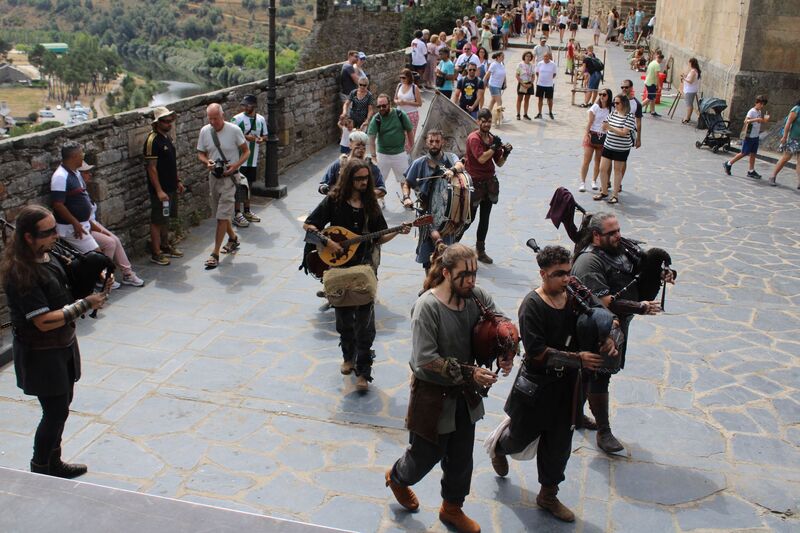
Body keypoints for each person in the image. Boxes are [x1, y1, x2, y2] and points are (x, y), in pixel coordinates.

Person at [385, 243, 511, 533]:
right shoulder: (427, 307)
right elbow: (424, 361)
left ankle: (452, 509)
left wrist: (506, 347)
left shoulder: (475, 298)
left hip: (464, 397)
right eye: (463, 275)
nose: (471, 281)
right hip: (432, 397)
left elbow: (500, 321)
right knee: (423, 458)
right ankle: (397, 477)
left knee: (461, 458)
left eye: (474, 274)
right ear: (445, 272)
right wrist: (470, 372)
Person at [490, 245, 613, 523]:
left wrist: (606, 336)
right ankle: (498, 447)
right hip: (536, 388)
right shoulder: (532, 305)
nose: (566, 279)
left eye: (568, 273)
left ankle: (548, 495)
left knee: (559, 446)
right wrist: (577, 359)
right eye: (559, 274)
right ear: (543, 274)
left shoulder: (575, 296)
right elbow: (536, 352)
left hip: (567, 390)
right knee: (519, 437)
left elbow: (598, 317)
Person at [1, 205, 110, 479]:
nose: (55, 236)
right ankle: (40, 469)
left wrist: (91, 278)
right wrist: (86, 303)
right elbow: (42, 320)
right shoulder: (20, 272)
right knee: (54, 412)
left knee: (62, 407)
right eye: (48, 232)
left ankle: (54, 462)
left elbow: (65, 288)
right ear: (28, 237)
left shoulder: (48, 256)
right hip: (41, 352)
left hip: (63, 345)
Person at [303, 159, 409, 390]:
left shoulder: (371, 205)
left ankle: (364, 372)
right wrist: (328, 242)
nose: (363, 183)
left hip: (364, 270)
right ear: (349, 179)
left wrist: (398, 232)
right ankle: (347, 357)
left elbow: (379, 237)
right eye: (358, 179)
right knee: (343, 320)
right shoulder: (334, 200)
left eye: (365, 179)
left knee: (365, 323)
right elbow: (309, 225)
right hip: (339, 270)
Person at [571, 212, 670, 453]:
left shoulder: (622, 250)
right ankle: (604, 432)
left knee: (588, 372)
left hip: (619, 322)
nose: (618, 236)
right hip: (596, 325)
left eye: (618, 230)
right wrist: (640, 306)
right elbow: (603, 302)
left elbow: (640, 268)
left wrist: (663, 273)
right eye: (611, 233)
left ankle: (574, 415)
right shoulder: (588, 263)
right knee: (599, 372)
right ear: (596, 236)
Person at [196, 103, 250, 270]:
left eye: (216, 118)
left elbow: (246, 151)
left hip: (230, 179)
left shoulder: (234, 130)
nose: (213, 122)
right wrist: (208, 162)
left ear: (222, 116)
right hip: (214, 178)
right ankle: (233, 238)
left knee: (221, 217)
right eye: (210, 119)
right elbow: (200, 153)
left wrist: (235, 166)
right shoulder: (205, 131)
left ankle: (215, 253)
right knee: (220, 213)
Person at [404, 130, 465, 270]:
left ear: (442, 142)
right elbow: (407, 183)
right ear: (426, 142)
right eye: (431, 141)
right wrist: (407, 198)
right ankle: (429, 286)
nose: (434, 144)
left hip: (447, 217)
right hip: (426, 214)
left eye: (437, 141)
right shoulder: (419, 163)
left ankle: (442, 285)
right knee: (428, 258)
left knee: (446, 259)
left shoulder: (450, 158)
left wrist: (452, 171)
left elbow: (460, 165)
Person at [79, 162, 144, 287]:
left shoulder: (83, 189)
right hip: (86, 226)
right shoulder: (77, 191)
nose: (89, 175)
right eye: (86, 172)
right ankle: (103, 276)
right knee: (109, 243)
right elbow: (85, 219)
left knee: (116, 240)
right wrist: (102, 231)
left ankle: (127, 273)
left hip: (92, 223)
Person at [465, 108, 511, 264]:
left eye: (489, 121)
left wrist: (505, 153)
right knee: (467, 219)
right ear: (478, 121)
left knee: (485, 219)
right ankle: (451, 246)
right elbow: (481, 159)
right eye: (483, 121)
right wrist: (493, 148)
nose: (486, 124)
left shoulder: (492, 139)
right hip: (474, 183)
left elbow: (499, 163)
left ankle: (480, 250)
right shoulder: (474, 138)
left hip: (489, 183)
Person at [143, 108, 185, 266]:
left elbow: (170, 164)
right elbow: (151, 168)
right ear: (157, 123)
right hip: (160, 191)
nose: (169, 124)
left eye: (170, 121)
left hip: (170, 187)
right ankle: (156, 252)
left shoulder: (166, 138)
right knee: (157, 220)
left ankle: (165, 246)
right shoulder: (152, 140)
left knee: (166, 219)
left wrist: (177, 181)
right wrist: (159, 191)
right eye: (165, 121)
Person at [50, 142, 100, 255]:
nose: (83, 155)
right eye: (81, 153)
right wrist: (75, 223)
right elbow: (58, 205)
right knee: (97, 257)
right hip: (71, 228)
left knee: (103, 250)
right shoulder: (60, 177)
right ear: (74, 156)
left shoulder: (75, 173)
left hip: (82, 224)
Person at [368, 94, 414, 199]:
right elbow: (371, 138)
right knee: (378, 180)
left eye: (384, 106)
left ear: (390, 104)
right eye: (379, 106)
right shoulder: (377, 119)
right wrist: (373, 156)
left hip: (399, 153)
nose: (381, 109)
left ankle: (406, 198)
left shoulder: (400, 114)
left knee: (404, 179)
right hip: (382, 154)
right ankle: (379, 200)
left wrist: (411, 147)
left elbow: (409, 130)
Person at [319, 130, 387, 201]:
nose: (361, 149)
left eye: (363, 145)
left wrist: (363, 196)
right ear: (350, 145)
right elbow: (323, 185)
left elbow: (382, 189)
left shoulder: (370, 166)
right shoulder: (339, 163)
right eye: (357, 145)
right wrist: (332, 191)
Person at [231, 94, 267, 228]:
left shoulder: (261, 119)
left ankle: (247, 210)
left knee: (249, 185)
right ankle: (237, 213)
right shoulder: (237, 119)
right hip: (239, 160)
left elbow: (265, 135)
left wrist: (261, 139)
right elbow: (232, 136)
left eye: (248, 105)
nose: (245, 107)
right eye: (244, 105)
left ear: (254, 106)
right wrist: (248, 138)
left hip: (252, 160)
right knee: (239, 186)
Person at [594, 94, 637, 205]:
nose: (615, 105)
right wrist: (605, 126)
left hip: (621, 148)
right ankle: (604, 191)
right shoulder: (612, 114)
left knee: (617, 171)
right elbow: (606, 125)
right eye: (614, 103)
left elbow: (624, 132)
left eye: (617, 103)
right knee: (602, 169)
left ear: (624, 103)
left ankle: (615, 195)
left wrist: (610, 128)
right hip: (608, 145)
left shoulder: (630, 117)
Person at [723, 95, 770, 180]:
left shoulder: (759, 112)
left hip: (755, 136)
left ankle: (751, 170)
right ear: (756, 103)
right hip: (749, 136)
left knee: (753, 153)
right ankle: (729, 163)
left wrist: (764, 120)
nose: (762, 106)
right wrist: (756, 120)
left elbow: (759, 121)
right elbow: (746, 121)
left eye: (763, 104)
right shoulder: (751, 111)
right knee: (744, 152)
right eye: (761, 104)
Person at [580, 88, 612, 192]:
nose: (602, 97)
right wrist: (586, 134)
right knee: (586, 161)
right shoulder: (595, 107)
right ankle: (582, 182)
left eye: (604, 95)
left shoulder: (611, 109)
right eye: (600, 94)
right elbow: (590, 122)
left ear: (608, 96)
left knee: (598, 161)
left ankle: (594, 181)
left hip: (603, 137)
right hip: (592, 135)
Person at [769, 98, 800, 187]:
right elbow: (788, 123)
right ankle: (772, 176)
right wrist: (784, 136)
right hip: (793, 138)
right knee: (786, 157)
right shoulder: (796, 109)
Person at [394, 68, 423, 154]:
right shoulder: (399, 86)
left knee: (409, 137)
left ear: (409, 78)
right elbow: (395, 99)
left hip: (411, 114)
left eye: (404, 78)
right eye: (401, 77)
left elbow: (419, 103)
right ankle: (400, 153)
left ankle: (409, 155)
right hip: (399, 114)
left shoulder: (414, 87)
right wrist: (398, 102)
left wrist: (406, 102)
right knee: (399, 135)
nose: (402, 79)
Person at [534, 52, 557, 120]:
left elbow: (554, 74)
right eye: (544, 56)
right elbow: (537, 72)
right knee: (540, 99)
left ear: (549, 57)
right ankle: (539, 113)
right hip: (540, 84)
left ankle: (550, 112)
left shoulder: (553, 64)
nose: (546, 58)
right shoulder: (540, 63)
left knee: (550, 99)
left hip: (549, 84)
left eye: (547, 56)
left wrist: (549, 79)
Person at [681, 59, 701, 124]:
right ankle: (688, 117)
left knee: (689, 105)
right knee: (689, 104)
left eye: (689, 63)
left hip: (690, 90)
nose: (688, 64)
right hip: (691, 89)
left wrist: (684, 78)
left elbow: (690, 81)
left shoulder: (693, 71)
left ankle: (687, 118)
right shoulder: (694, 71)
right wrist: (685, 76)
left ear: (691, 63)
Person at [515, 51, 535, 120]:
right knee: (519, 99)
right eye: (527, 56)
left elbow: (533, 76)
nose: (528, 58)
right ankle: (518, 114)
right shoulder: (520, 64)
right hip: (522, 83)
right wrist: (522, 84)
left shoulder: (532, 65)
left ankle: (525, 114)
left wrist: (531, 84)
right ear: (524, 57)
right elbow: (517, 75)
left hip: (529, 84)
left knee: (527, 99)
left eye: (529, 56)